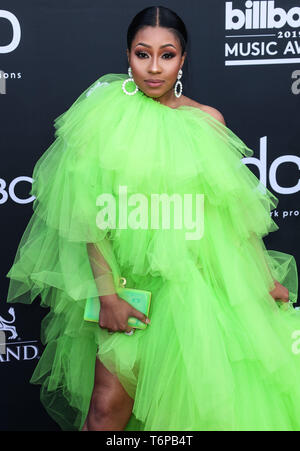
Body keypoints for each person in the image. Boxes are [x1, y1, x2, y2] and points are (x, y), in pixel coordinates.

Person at [5, 5, 300, 432]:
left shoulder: (206, 121)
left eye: (168, 55)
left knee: (192, 411)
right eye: (144, 54)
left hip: (200, 290)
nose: (155, 68)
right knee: (106, 411)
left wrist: (261, 279)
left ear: (184, 60)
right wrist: (107, 296)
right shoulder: (104, 117)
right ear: (128, 55)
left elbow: (231, 215)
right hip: (132, 286)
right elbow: (87, 217)